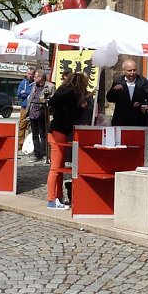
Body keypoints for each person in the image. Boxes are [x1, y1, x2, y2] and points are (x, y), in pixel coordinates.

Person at [46, 72, 89, 209]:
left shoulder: (62, 90)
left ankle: (58, 196)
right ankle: (51, 200)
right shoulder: (73, 94)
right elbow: (71, 115)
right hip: (60, 130)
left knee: (57, 167)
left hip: (55, 128)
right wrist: (81, 107)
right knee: (55, 168)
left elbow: (52, 103)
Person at [106, 59, 148, 126]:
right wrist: (114, 90)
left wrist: (140, 104)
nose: (132, 73)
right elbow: (109, 98)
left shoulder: (143, 82)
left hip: (138, 120)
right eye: (129, 70)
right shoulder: (118, 81)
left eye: (134, 70)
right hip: (121, 120)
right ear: (124, 71)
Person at [27, 69, 56, 162]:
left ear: (40, 77)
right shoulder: (34, 85)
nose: (34, 78)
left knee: (43, 134)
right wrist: (27, 110)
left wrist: (46, 100)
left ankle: (44, 153)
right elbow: (31, 97)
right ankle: (36, 154)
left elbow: (54, 99)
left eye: (35, 76)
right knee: (34, 134)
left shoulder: (50, 86)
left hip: (43, 112)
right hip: (33, 112)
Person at [15, 66, 36, 143]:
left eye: (31, 74)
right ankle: (20, 144)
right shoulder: (23, 82)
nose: (30, 75)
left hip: (33, 108)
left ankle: (32, 143)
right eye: (28, 73)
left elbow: (34, 94)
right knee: (22, 125)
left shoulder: (35, 83)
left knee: (32, 126)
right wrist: (27, 94)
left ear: (34, 75)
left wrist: (25, 92)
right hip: (24, 107)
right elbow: (19, 94)